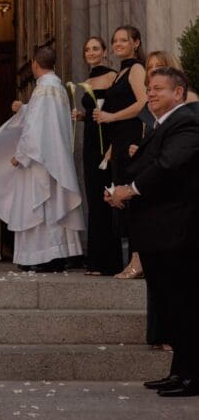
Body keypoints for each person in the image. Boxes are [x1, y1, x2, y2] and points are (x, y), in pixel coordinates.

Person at [105, 68, 199, 397]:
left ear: (179, 93)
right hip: (156, 232)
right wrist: (119, 191)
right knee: (169, 304)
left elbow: (169, 165)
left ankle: (192, 376)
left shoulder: (186, 121)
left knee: (183, 303)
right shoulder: (161, 124)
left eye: (159, 88)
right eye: (149, 88)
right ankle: (179, 372)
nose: (152, 93)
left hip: (177, 231)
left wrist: (129, 189)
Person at [0, 45, 84, 272]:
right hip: (54, 157)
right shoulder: (57, 88)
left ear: (35, 65)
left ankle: (42, 257)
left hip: (39, 160)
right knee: (53, 206)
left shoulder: (43, 90)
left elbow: (36, 127)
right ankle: (56, 254)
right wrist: (25, 108)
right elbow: (48, 119)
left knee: (38, 207)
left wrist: (21, 155)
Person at [93, 25, 146, 278]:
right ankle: (133, 260)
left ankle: (138, 261)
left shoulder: (136, 68)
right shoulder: (119, 73)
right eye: (115, 40)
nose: (118, 44)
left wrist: (111, 117)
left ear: (136, 43)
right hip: (120, 142)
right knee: (122, 201)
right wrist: (111, 149)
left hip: (132, 139)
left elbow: (144, 103)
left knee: (132, 201)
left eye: (124, 40)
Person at [72, 37, 120, 275]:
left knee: (106, 197)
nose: (91, 52)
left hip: (107, 141)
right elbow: (93, 111)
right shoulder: (87, 80)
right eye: (87, 49)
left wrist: (112, 146)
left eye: (95, 48)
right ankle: (95, 260)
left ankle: (110, 261)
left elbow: (114, 109)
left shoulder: (113, 76)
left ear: (104, 52)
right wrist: (81, 116)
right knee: (93, 198)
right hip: (91, 141)